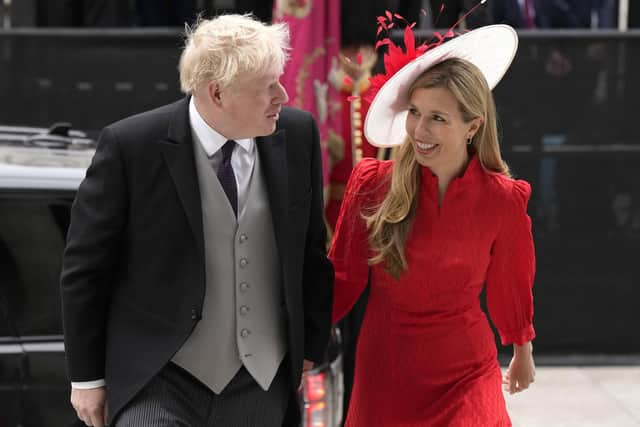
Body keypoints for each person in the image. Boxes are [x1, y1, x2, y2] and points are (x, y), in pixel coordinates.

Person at [60, 14, 334, 427]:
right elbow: (85, 270)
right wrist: (86, 377)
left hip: (262, 380)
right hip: (158, 377)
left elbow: (312, 248)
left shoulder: (297, 136)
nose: (282, 95)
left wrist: (310, 345)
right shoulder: (130, 146)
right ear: (218, 92)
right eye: (267, 87)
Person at [329, 21, 536, 426]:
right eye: (415, 113)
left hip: (467, 369)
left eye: (437, 118)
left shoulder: (504, 199)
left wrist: (522, 350)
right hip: (386, 368)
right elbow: (341, 278)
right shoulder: (372, 184)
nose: (419, 131)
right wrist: (302, 343)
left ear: (473, 125)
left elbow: (511, 282)